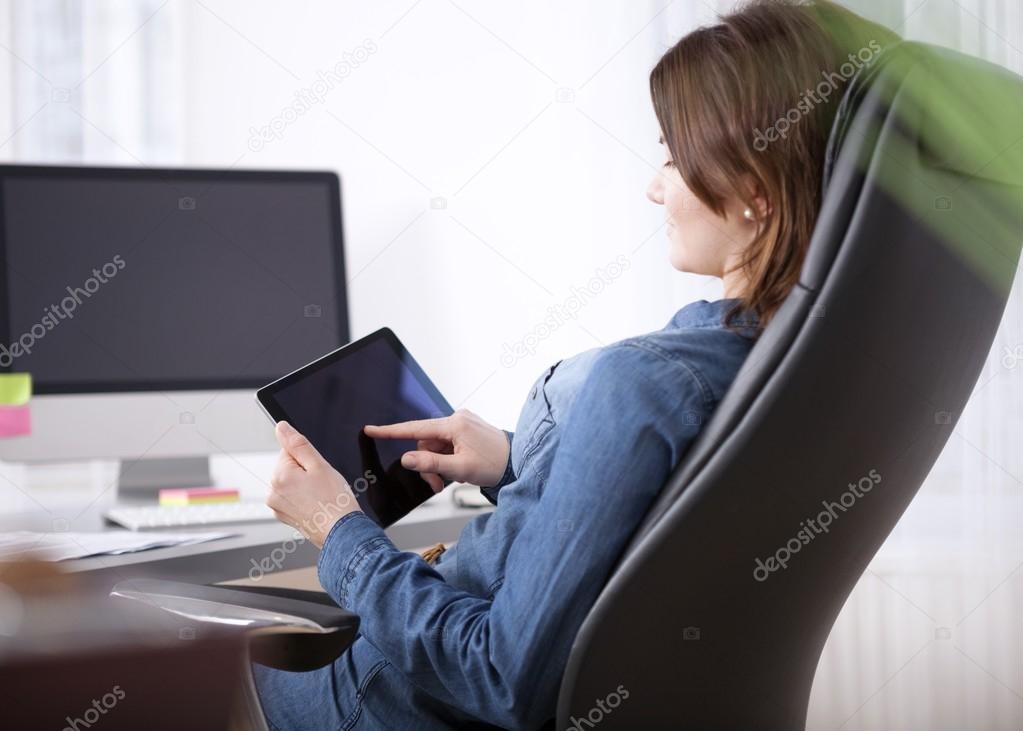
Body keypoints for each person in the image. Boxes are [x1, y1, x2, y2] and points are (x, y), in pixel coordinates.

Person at [252, 1, 900, 727]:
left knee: (156, 666)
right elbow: (653, 542)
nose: (655, 187)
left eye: (668, 156)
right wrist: (516, 460)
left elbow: (501, 676)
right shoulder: (800, 372)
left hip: (378, 706)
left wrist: (339, 528)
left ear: (752, 187)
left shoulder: (649, 383)